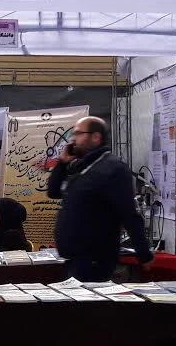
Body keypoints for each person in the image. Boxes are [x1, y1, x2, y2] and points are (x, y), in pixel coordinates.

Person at [47, 116, 153, 281]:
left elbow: (128, 213)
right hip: (74, 260)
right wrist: (62, 163)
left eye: (78, 133)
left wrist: (144, 254)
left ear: (96, 137)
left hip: (94, 261)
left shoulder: (113, 169)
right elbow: (53, 192)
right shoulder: (82, 168)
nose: (73, 139)